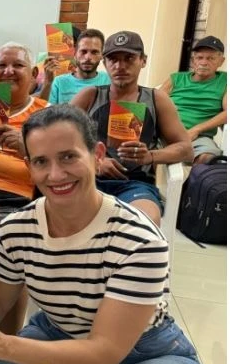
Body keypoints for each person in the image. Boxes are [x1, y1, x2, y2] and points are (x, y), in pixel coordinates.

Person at [0, 104, 208, 364]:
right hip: (58, 332)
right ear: (29, 166)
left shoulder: (139, 238)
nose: (55, 174)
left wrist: (2, 345)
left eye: (68, 157)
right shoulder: (17, 229)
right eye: (41, 161)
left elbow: (103, 353)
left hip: (145, 351)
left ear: (97, 155)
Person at [71, 30, 192, 225]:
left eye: (129, 58)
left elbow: (186, 149)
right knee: (67, 216)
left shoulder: (156, 99)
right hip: (88, 179)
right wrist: (94, 161)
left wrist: (151, 156)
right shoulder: (90, 96)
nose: (120, 66)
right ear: (104, 63)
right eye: (113, 59)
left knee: (143, 221)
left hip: (136, 185)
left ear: (143, 61)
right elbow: (58, 140)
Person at [0, 42, 48, 334]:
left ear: (34, 74)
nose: (8, 71)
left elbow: (58, 171)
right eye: (1, 66)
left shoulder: (45, 116)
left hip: (14, 202)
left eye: (18, 65)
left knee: (11, 256)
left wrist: (27, 147)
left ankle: (6, 343)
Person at [160, 35, 227, 164]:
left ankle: (193, 178)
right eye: (199, 58)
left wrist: (196, 130)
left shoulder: (225, 81)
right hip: (164, 133)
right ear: (193, 60)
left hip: (199, 137)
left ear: (221, 61)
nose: (204, 62)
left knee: (208, 159)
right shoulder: (176, 78)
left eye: (211, 58)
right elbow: (154, 103)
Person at [38, 28, 110, 104]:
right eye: (83, 51)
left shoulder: (109, 80)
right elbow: (44, 109)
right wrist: (47, 82)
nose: (88, 57)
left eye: (94, 52)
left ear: (102, 55)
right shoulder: (59, 82)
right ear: (75, 53)